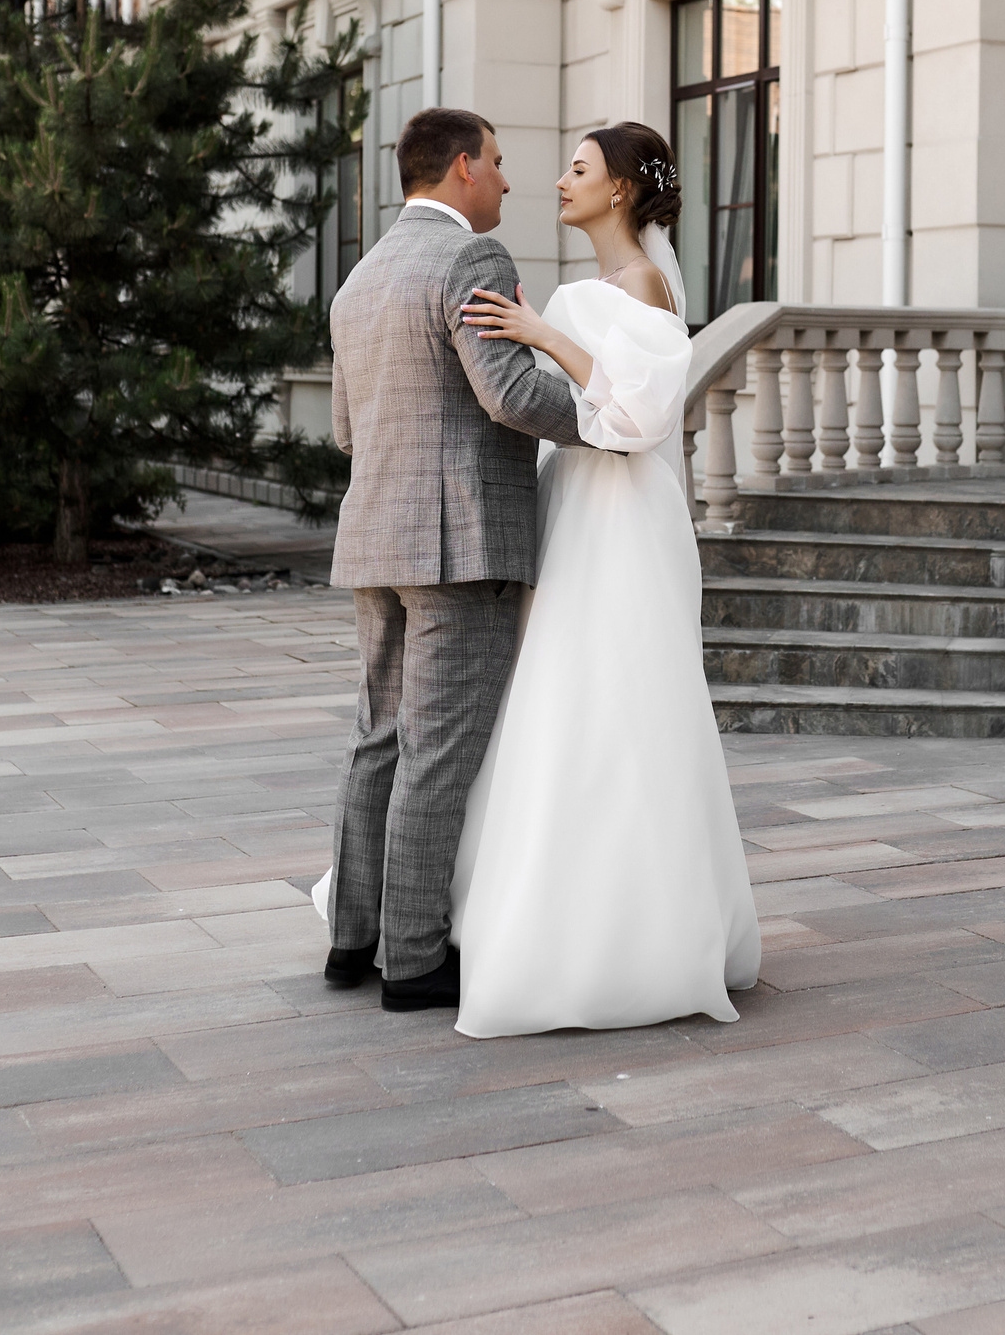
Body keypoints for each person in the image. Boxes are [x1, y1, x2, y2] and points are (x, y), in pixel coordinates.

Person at [442, 121, 762, 1037]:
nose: (558, 180)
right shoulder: (589, 289)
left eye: (578, 169)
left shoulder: (643, 286)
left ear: (619, 189)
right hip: (573, 501)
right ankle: (533, 913)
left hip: (623, 514)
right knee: (551, 696)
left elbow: (638, 412)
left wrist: (546, 332)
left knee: (620, 697)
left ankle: (634, 937)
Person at [313, 108, 584, 1014]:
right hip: (458, 545)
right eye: (500, 163)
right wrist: (613, 414)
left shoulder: (359, 279)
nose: (508, 181)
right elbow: (508, 394)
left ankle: (351, 940)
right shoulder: (474, 260)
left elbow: (347, 427)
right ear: (463, 167)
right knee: (436, 752)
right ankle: (416, 956)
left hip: (377, 540)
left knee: (378, 740)